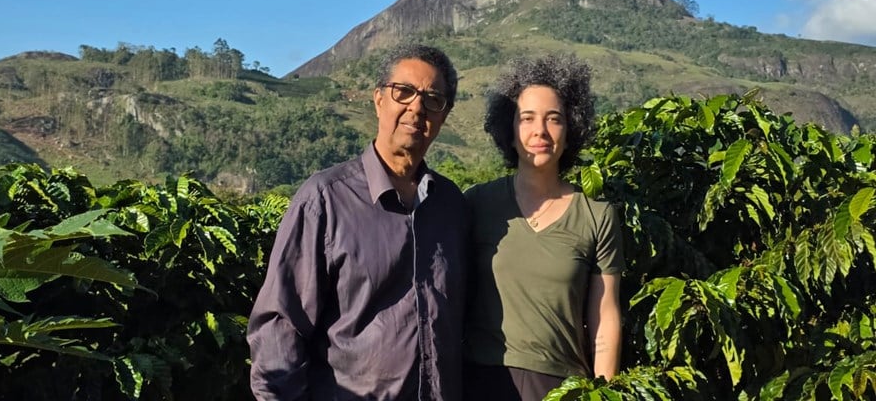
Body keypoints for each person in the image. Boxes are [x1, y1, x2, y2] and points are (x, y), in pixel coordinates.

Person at [247, 43, 469, 400]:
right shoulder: (326, 199)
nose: (416, 107)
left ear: (444, 115)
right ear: (379, 99)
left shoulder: (451, 206)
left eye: (432, 99)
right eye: (404, 92)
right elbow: (281, 325)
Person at [462, 54, 625, 401]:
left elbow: (605, 320)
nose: (540, 131)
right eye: (527, 119)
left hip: (562, 386)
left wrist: (603, 392)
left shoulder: (597, 216)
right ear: (509, 129)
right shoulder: (477, 204)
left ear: (571, 130)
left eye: (554, 119)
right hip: (482, 380)